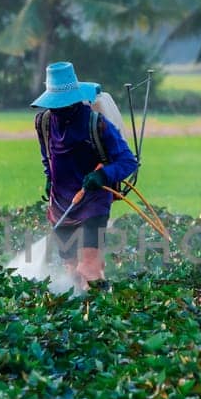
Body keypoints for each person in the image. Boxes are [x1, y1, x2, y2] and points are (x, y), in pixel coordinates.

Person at [32, 61, 138, 288]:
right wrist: (49, 178)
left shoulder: (96, 124)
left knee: (89, 268)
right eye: (55, 105)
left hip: (93, 201)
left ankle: (101, 312)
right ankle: (78, 312)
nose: (59, 110)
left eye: (64, 105)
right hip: (61, 203)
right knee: (71, 269)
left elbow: (129, 161)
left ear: (74, 100)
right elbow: (47, 155)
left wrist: (102, 176)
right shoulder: (44, 122)